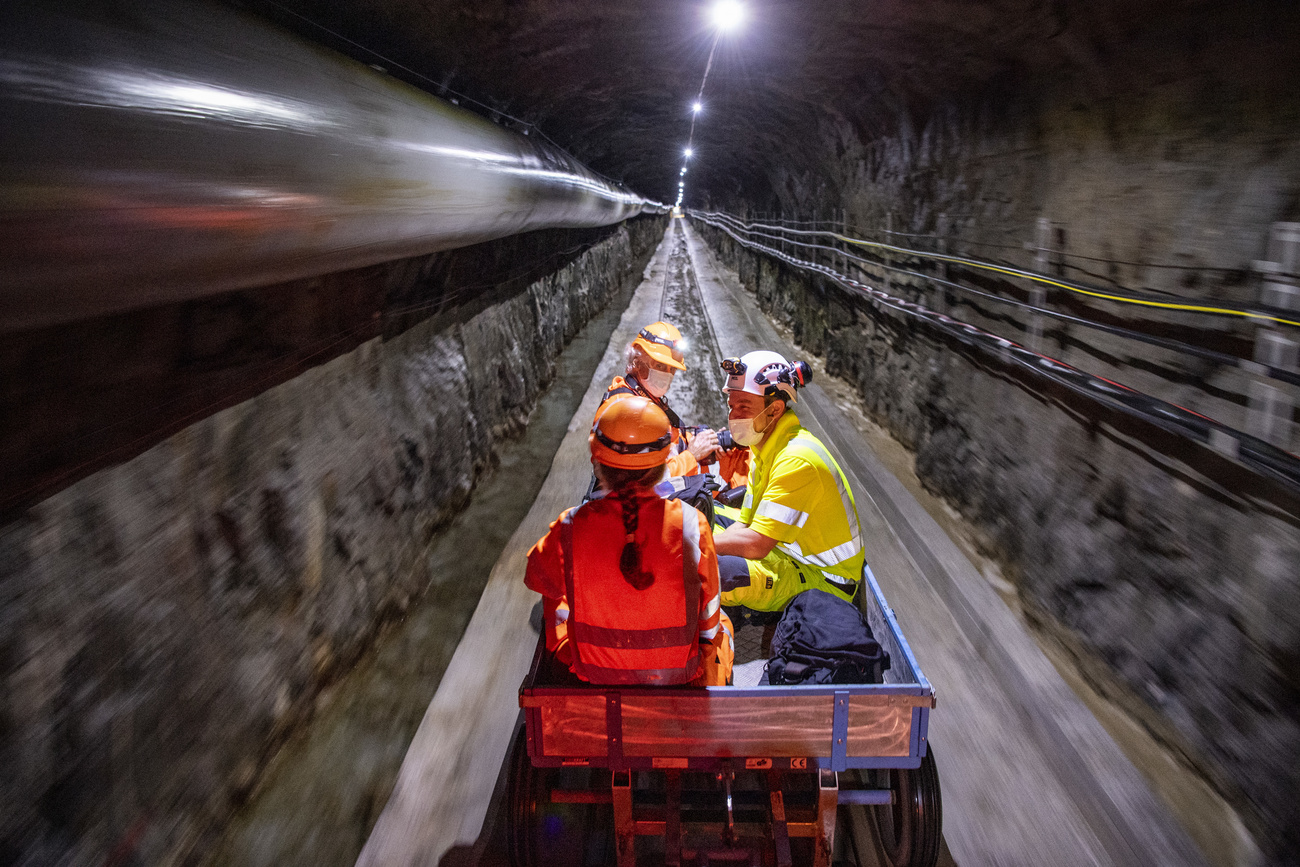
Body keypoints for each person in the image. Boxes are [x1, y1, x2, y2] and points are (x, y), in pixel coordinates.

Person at [526, 395, 734, 685]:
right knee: (724, 625)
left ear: (597, 463)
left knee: (558, 594)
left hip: (592, 673)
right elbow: (709, 618)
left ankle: (565, 655)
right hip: (678, 676)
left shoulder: (570, 527)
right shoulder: (692, 524)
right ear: (664, 464)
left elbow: (536, 577)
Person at [712, 350, 866, 613]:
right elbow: (745, 522)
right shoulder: (765, 446)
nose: (734, 416)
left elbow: (756, 544)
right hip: (787, 550)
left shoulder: (797, 460)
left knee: (709, 570)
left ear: (774, 409)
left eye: (744, 407)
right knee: (706, 513)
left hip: (825, 581)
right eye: (732, 406)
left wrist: (697, 546)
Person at [601, 321, 720, 479]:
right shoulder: (627, 412)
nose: (667, 375)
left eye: (672, 369)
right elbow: (645, 482)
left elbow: (671, 437)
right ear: (637, 361)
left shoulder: (644, 396)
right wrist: (692, 455)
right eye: (660, 366)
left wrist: (704, 441)